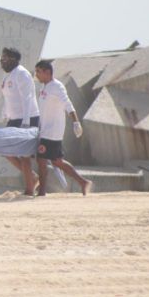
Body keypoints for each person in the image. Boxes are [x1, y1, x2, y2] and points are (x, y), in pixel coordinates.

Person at [35, 60, 92, 196]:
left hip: (52, 132)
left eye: (38, 71)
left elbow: (68, 104)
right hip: (44, 130)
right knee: (55, 161)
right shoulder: (44, 87)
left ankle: (42, 191)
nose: (36, 75)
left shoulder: (57, 86)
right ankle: (83, 182)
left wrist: (76, 122)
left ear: (47, 72)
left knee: (44, 160)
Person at [0, 47, 40, 195]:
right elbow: (8, 98)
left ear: (14, 60)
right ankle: (33, 177)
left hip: (26, 118)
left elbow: (27, 98)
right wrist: (5, 113)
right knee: (5, 150)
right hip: (13, 119)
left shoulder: (22, 73)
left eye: (4, 59)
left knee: (24, 154)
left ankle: (30, 188)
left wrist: (26, 122)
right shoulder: (8, 76)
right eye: (1, 59)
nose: (2, 62)